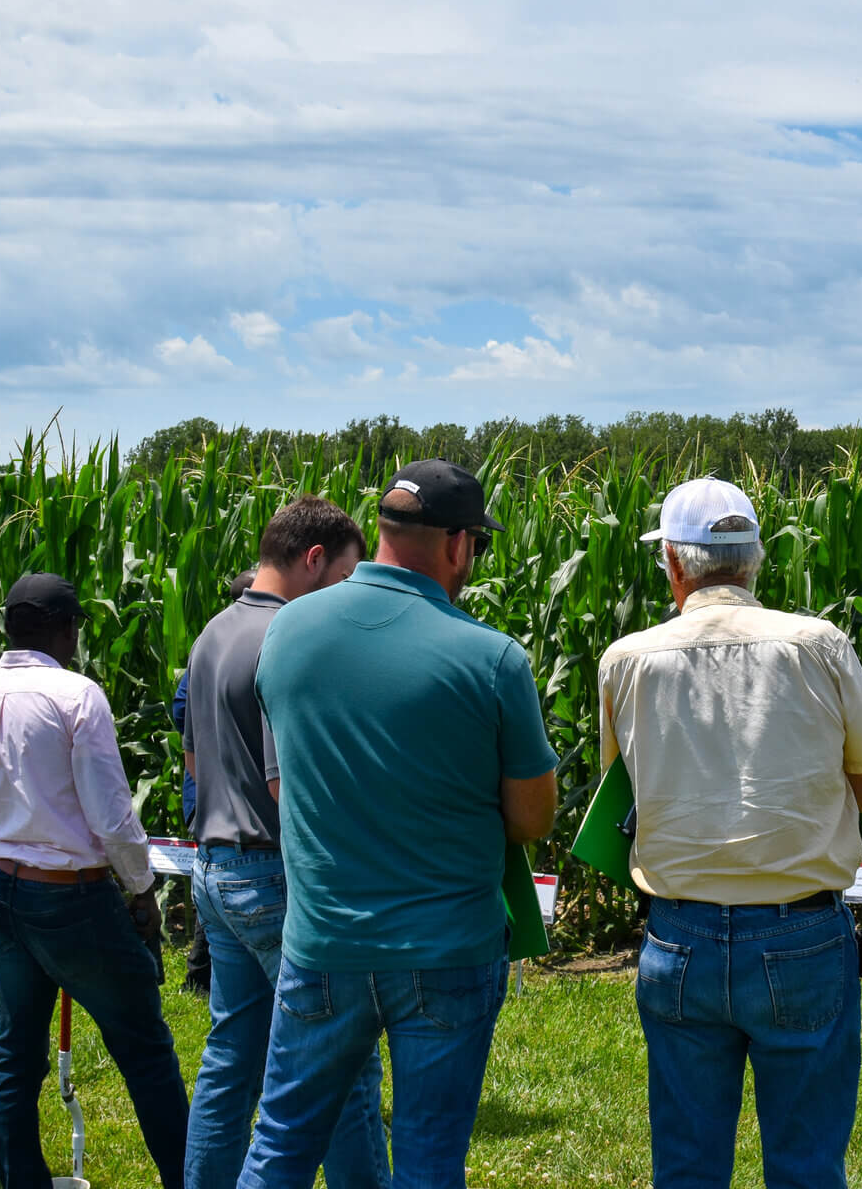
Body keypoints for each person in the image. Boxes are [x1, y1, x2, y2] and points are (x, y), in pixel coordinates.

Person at [237, 460, 558, 1189]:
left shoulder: (288, 633)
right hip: (446, 949)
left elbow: (290, 775)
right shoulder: (492, 658)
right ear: (457, 545)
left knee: (281, 1143)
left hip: (324, 941)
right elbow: (531, 817)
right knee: (429, 1158)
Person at [598, 477, 862, 1189]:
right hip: (801, 933)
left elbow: (621, 792)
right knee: (806, 1164)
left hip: (680, 936)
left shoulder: (626, 659)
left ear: (673, 563)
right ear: (755, 559)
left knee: (688, 1165)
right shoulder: (818, 644)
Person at [0, 572, 190, 1189]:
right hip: (69, 893)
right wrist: (140, 889)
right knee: (144, 1046)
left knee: (16, 1050)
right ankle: (190, 1177)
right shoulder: (76, 696)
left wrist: (8, 856)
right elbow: (111, 815)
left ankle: (21, 1180)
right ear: (67, 628)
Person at [183, 503, 384, 1189]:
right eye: (348, 573)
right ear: (313, 559)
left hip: (213, 867)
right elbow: (286, 787)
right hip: (274, 869)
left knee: (232, 1057)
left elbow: (192, 759)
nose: (350, 591)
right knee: (346, 1059)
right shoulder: (289, 636)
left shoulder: (214, 631)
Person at [172, 567, 257, 1000]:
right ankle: (200, 971)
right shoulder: (219, 652)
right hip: (220, 799)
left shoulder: (208, 649)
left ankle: (203, 972)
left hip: (211, 796)